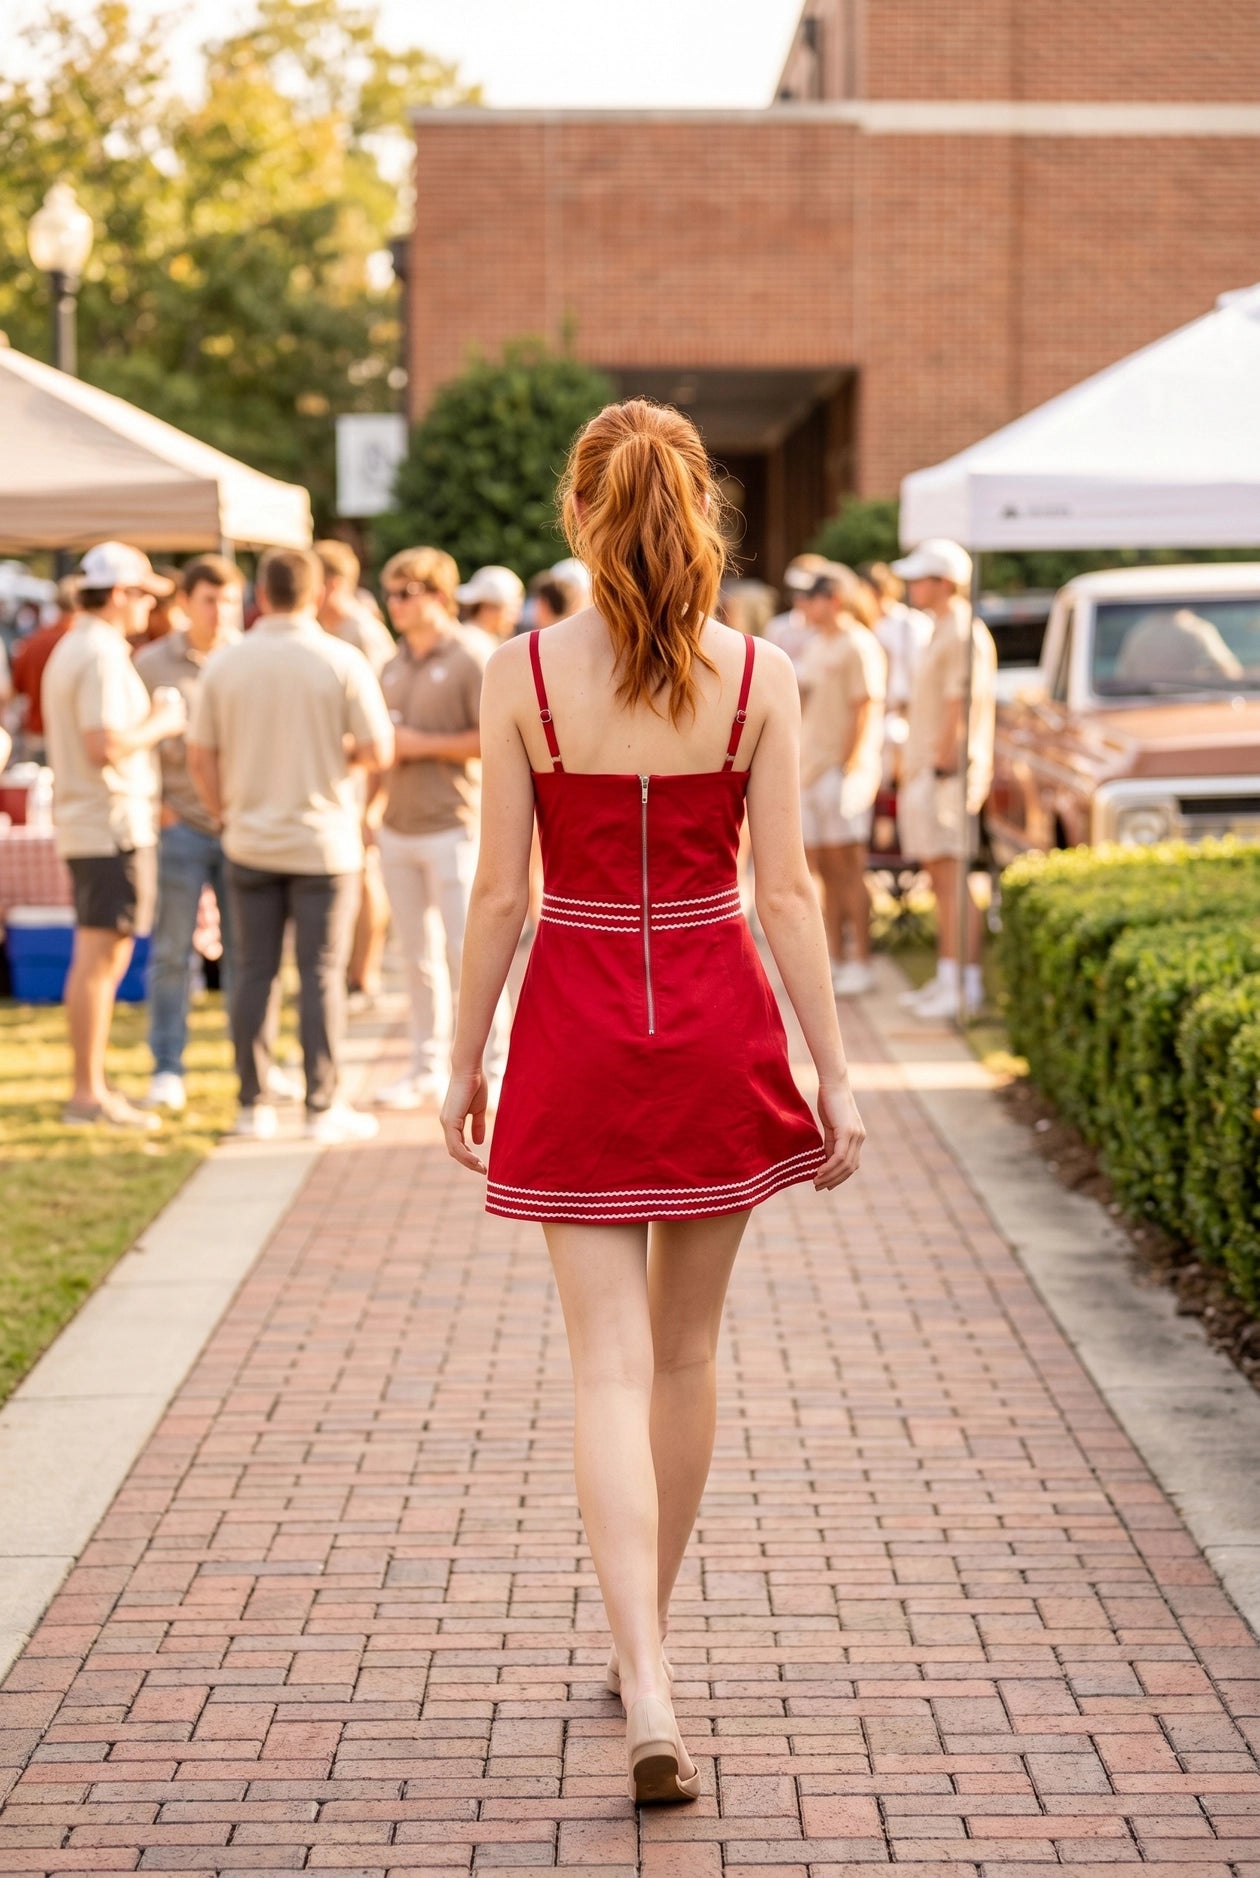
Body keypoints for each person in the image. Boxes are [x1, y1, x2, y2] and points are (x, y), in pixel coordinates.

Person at [440, 399, 865, 1807]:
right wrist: (834, 1066)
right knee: (684, 1359)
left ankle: (648, 1673)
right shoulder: (759, 674)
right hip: (713, 1018)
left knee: (606, 1365)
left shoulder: (523, 673)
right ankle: (650, 1661)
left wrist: (462, 1055)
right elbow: (789, 892)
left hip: (572, 1017)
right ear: (704, 512)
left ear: (579, 511)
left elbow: (501, 891)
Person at [187, 547, 394, 1143]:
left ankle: (253, 1104)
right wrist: (341, 755)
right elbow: (380, 751)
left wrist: (223, 810)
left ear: (261, 594)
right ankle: (321, 1105)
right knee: (322, 973)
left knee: (252, 971)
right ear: (317, 594)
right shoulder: (340, 659)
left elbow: (200, 753)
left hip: (250, 837)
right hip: (323, 842)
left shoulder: (226, 663)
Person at [41, 542, 187, 1129]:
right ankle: (88, 1093)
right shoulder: (99, 652)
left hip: (95, 822)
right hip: (108, 824)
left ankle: (90, 1085)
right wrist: (163, 720)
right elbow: (104, 746)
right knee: (102, 957)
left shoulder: (79, 644)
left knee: (99, 954)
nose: (150, 607)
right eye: (145, 594)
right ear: (121, 593)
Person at [373, 546, 511, 1108]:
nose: (396, 604)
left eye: (407, 593)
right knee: (415, 956)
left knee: (469, 952)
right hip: (397, 826)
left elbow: (498, 740)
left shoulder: (473, 656)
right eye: (391, 593)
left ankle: (497, 1065)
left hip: (454, 825)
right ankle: (424, 1064)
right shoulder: (390, 662)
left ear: (438, 596)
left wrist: (418, 746)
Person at [134, 555, 244, 1112]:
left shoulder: (251, 658)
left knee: (248, 954)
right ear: (186, 603)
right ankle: (167, 1066)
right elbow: (135, 739)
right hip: (180, 825)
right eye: (209, 599)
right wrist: (157, 806)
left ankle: (251, 1065)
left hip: (241, 827)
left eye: (229, 599)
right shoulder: (150, 663)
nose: (221, 610)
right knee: (173, 951)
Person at [891, 538, 997, 1020]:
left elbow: (959, 705)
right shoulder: (942, 628)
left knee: (953, 878)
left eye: (921, 578)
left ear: (944, 582)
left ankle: (964, 985)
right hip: (930, 771)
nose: (912, 586)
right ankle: (949, 975)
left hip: (946, 775)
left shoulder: (962, 631)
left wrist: (939, 765)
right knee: (940, 878)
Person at [798, 565, 887, 997]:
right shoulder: (816, 645)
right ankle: (834, 956)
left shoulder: (858, 644)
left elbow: (863, 708)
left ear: (832, 599)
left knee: (849, 867)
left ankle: (864, 960)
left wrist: (848, 765)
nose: (804, 606)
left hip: (840, 770)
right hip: (812, 768)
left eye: (811, 598)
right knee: (827, 869)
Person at [314, 539, 396, 1007]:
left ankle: (365, 974)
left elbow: (383, 719)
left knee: (365, 872)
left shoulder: (363, 634)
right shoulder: (328, 628)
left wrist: (379, 798)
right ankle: (351, 969)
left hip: (364, 773)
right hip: (335, 774)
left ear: (333, 583)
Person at [11, 577, 76, 763]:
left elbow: (17, 688)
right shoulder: (82, 645)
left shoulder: (34, 642)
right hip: (71, 739)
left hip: (37, 736)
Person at [764, 552, 829, 681]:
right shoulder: (777, 627)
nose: (799, 598)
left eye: (807, 592)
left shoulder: (835, 631)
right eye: (794, 591)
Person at [455, 564, 525, 661]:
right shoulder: (478, 645)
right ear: (489, 607)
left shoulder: (463, 637)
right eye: (512, 609)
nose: (517, 618)